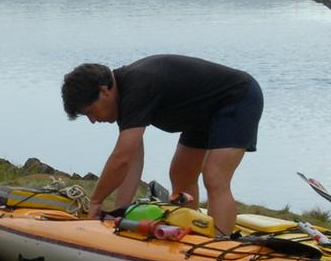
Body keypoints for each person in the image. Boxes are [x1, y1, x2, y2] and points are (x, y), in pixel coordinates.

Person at [60, 55, 263, 236]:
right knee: (181, 173)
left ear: (104, 91)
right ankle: (194, 233)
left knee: (215, 176)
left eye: (90, 112)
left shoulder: (138, 85)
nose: (93, 120)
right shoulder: (123, 99)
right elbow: (132, 162)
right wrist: (119, 216)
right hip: (202, 113)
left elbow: (120, 159)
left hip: (238, 97)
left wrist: (96, 202)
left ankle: (220, 245)